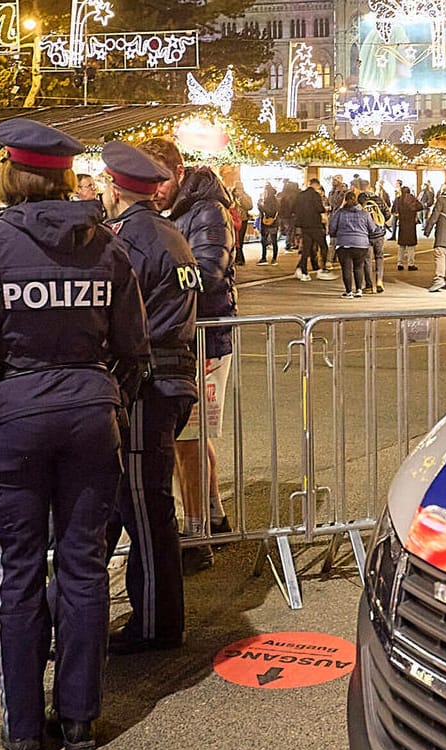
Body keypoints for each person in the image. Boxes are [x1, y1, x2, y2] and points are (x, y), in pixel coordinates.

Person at [0, 119, 150, 750]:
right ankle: (79, 720)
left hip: (16, 424)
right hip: (89, 421)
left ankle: (24, 731)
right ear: (63, 176)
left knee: (17, 573)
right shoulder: (108, 247)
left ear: (11, 175)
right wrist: (109, 405)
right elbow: (134, 350)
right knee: (82, 568)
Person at [101, 142, 200, 655]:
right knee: (142, 502)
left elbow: (122, 320)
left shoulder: (130, 243)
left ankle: (156, 624)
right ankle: (152, 617)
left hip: (149, 384)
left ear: (116, 188)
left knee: (144, 507)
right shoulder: (170, 234)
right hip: (170, 378)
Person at [147, 140, 239, 574]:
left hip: (204, 335)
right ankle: (214, 518)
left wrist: (152, 287)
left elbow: (206, 273)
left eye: (160, 178)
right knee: (193, 436)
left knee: (186, 438)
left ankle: (197, 531)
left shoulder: (207, 210)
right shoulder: (185, 208)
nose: (156, 188)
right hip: (189, 335)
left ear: (179, 171)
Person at [330, 190, 383, 298]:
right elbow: (372, 228)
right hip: (361, 245)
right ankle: (359, 290)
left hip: (344, 244)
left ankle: (348, 291)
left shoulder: (340, 213)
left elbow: (332, 228)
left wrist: (336, 235)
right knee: (358, 267)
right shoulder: (364, 213)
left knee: (346, 268)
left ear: (345, 200)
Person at [295, 177, 335, 281]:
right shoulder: (315, 195)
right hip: (315, 225)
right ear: (316, 185)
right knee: (323, 246)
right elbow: (320, 209)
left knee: (306, 248)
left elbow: (295, 209)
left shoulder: (300, 195)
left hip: (304, 225)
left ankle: (303, 271)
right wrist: (325, 220)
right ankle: (323, 269)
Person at [355, 178, 390, 293]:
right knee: (379, 257)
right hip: (379, 233)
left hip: (366, 234)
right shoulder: (378, 199)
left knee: (367, 260)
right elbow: (387, 214)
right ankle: (379, 280)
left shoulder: (360, 199)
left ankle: (369, 285)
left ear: (359, 188)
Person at [394, 185, 421, 270]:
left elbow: (394, 211)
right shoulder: (412, 200)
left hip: (402, 224)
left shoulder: (398, 200)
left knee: (401, 246)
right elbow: (420, 206)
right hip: (411, 225)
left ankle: (400, 263)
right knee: (411, 246)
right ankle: (410, 264)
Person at [256, 182, 280, 264]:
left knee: (270, 241)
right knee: (268, 241)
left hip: (270, 223)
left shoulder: (271, 201)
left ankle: (269, 258)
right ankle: (270, 258)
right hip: (271, 222)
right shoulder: (273, 200)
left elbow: (269, 211)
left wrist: (260, 206)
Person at [277, 179, 301, 253]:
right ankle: (288, 244)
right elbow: (292, 206)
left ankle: (287, 243)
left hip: (283, 215)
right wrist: (293, 212)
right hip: (290, 215)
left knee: (286, 230)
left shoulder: (282, 195)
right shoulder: (293, 196)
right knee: (290, 230)